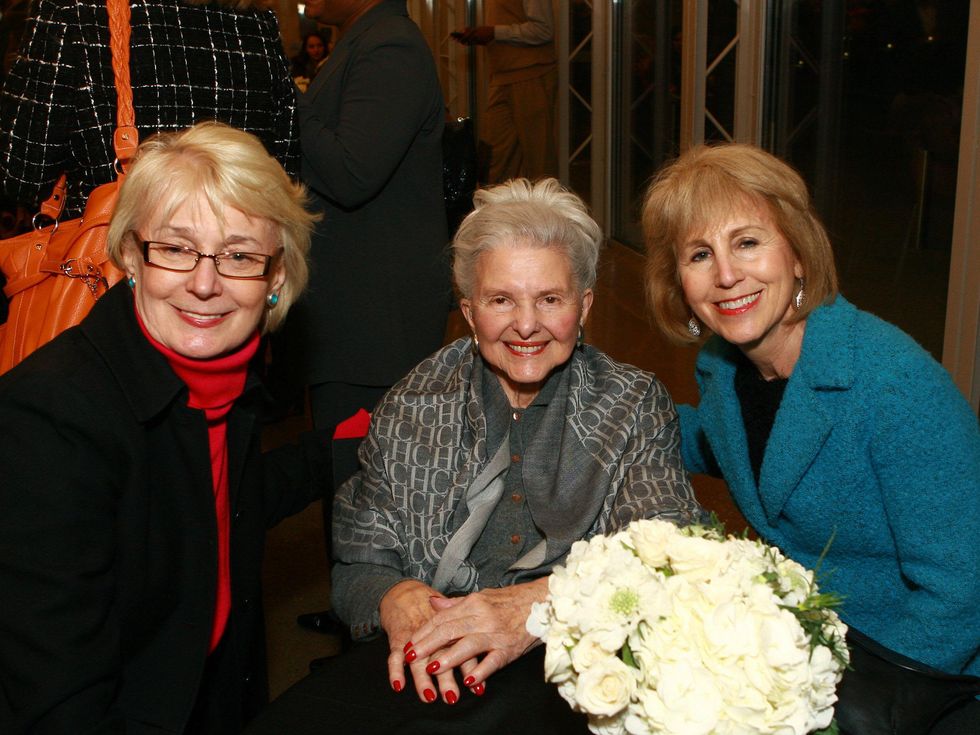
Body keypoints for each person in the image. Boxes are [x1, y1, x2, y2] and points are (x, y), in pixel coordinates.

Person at [244, 178, 705, 735]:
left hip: (573, 660)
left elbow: (664, 551)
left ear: (584, 306)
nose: (527, 324)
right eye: (501, 299)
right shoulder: (415, 401)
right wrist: (396, 594)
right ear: (469, 310)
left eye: (550, 299)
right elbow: (359, 557)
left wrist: (538, 606)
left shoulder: (632, 405)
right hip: (428, 654)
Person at [0, 122, 327, 734]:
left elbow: (213, 504)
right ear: (130, 255)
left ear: (276, 276)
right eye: (176, 248)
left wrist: (344, 450)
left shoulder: (225, 383)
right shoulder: (48, 419)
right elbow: (58, 702)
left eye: (238, 256)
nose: (204, 284)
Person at [642, 143, 980, 733]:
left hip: (916, 681)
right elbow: (736, 448)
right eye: (700, 254)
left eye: (747, 242)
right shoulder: (724, 370)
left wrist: (842, 707)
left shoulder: (892, 382)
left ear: (798, 254)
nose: (726, 275)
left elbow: (962, 591)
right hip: (803, 658)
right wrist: (615, 416)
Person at [289, 0, 451, 635]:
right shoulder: (366, 40)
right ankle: (356, 602)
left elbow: (352, 171)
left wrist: (280, 96)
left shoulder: (392, 47)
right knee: (348, 462)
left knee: (371, 466)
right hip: (354, 302)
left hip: (376, 308)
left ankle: (380, 622)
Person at [0, 0, 298, 216]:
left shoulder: (75, 12)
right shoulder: (259, 25)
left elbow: (22, 172)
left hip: (113, 271)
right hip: (235, 264)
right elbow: (284, 169)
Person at [453, 0, 558, 183]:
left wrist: (494, 33)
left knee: (539, 162)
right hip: (503, 75)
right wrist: (484, 34)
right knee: (494, 159)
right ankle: (496, 209)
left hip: (530, 73)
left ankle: (545, 210)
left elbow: (543, 29)